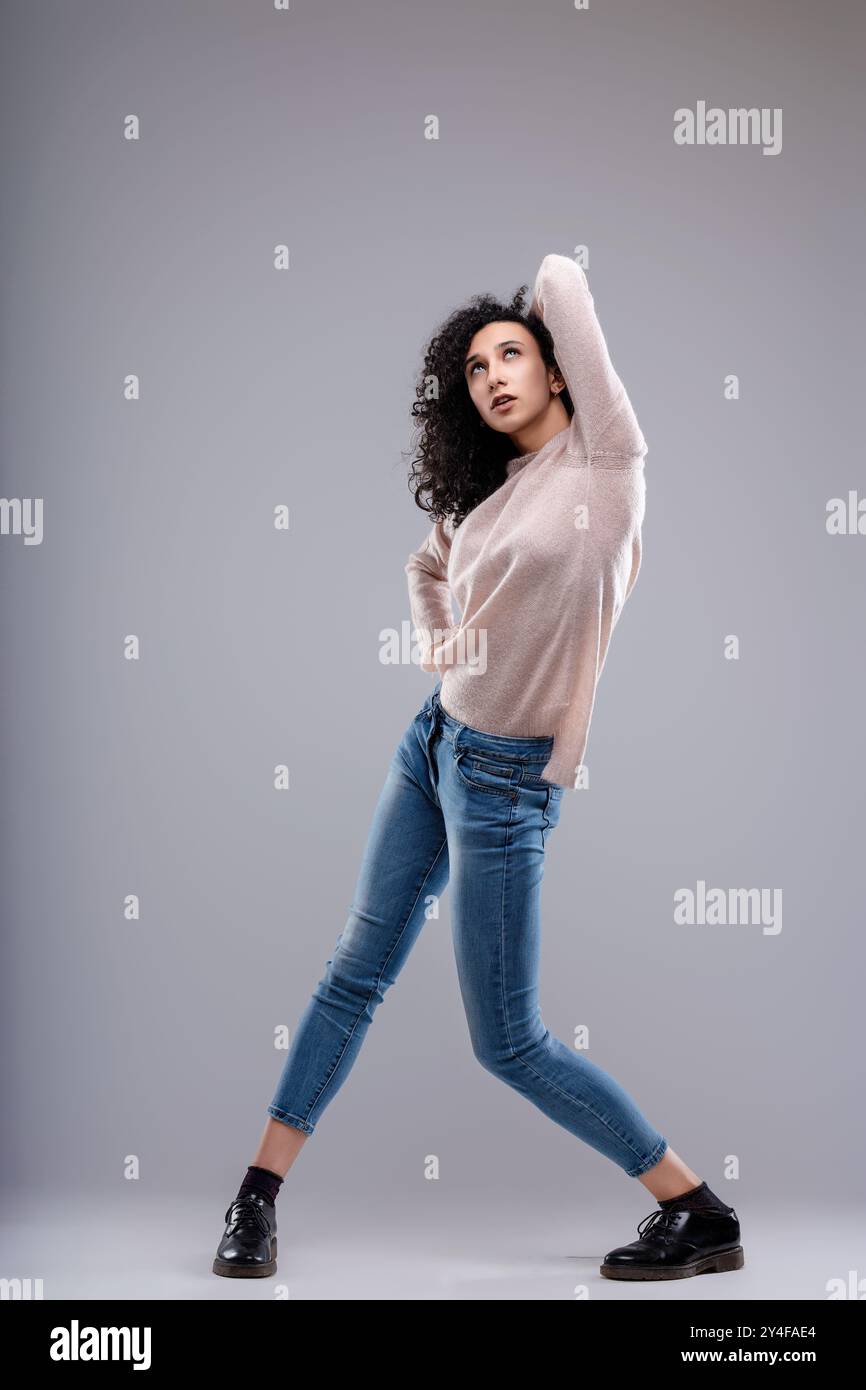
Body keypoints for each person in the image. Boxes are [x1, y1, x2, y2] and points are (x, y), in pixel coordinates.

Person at [213, 252, 744, 1283]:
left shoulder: (609, 466)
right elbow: (424, 567)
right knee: (353, 969)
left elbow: (561, 275)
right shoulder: (486, 493)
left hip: (505, 782)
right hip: (432, 742)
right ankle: (255, 1198)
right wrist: (437, 640)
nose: (492, 375)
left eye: (512, 356)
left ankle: (696, 1207)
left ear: (557, 373)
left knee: (507, 1041)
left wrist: (529, 311)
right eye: (472, 368)